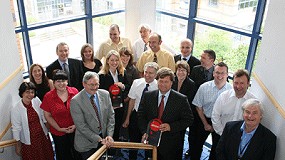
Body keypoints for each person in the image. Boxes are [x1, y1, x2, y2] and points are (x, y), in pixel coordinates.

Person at [137, 67, 193, 160]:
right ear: (157, 81)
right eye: (161, 81)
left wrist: (171, 127)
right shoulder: (148, 96)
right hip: (151, 143)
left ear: (171, 83)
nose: (163, 84)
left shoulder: (181, 99)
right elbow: (141, 115)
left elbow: (188, 120)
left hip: (171, 146)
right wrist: (144, 132)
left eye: (166, 82)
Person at [191, 62, 232, 160]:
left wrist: (217, 125)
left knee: (217, 149)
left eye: (223, 73)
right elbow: (198, 106)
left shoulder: (231, 91)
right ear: (213, 73)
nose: (220, 75)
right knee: (196, 146)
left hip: (221, 122)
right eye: (217, 72)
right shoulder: (204, 87)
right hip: (204, 120)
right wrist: (205, 124)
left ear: (227, 75)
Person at [70, 71, 115, 159]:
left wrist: (109, 135)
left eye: (97, 84)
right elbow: (81, 126)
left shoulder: (105, 94)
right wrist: (99, 139)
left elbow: (111, 116)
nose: (95, 87)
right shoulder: (76, 101)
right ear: (84, 84)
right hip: (86, 144)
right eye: (91, 85)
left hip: (104, 140)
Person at [122, 62, 159, 159]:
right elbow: (132, 101)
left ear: (156, 75)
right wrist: (127, 118)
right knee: (133, 142)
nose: (147, 75)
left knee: (149, 144)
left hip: (150, 119)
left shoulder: (159, 86)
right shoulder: (136, 82)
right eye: (146, 72)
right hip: (136, 115)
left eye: (151, 73)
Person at [41, 70, 80, 160]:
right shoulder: (48, 96)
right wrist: (59, 128)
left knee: (77, 154)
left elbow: (81, 111)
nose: (61, 83)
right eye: (58, 81)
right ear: (53, 83)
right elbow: (47, 115)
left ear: (67, 82)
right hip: (58, 132)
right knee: (63, 155)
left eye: (63, 80)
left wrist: (75, 125)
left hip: (76, 130)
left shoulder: (74, 91)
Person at [11, 82, 54, 160]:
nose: (30, 95)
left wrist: (48, 128)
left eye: (32, 92)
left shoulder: (36, 100)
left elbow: (42, 114)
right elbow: (16, 128)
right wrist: (17, 145)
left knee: (47, 156)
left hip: (42, 136)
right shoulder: (16, 109)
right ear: (22, 93)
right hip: (29, 140)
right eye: (27, 92)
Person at [185, 49, 216, 157]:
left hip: (211, 113)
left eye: (203, 58)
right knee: (193, 136)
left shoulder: (218, 73)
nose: (200, 59)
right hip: (196, 110)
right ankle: (192, 150)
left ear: (211, 60)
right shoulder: (196, 69)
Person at [212, 69, 256, 136]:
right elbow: (215, 116)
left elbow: (253, 122)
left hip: (241, 138)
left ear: (248, 83)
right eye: (236, 83)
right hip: (221, 135)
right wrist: (222, 133)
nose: (238, 86)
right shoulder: (223, 96)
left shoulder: (253, 102)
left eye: (242, 83)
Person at [99, 50, 129, 142]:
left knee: (117, 128)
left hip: (119, 106)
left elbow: (128, 86)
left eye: (116, 60)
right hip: (108, 107)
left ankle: (115, 148)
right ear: (107, 61)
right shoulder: (102, 75)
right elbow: (99, 92)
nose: (114, 62)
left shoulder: (122, 72)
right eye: (112, 60)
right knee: (107, 129)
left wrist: (122, 86)